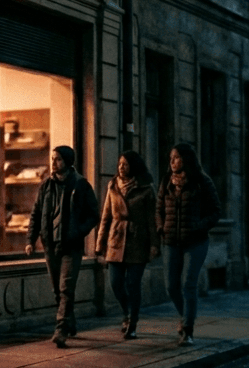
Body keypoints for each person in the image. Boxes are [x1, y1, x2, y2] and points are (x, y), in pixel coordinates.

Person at [25, 145, 99, 348]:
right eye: (52, 159)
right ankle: (70, 321)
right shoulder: (46, 185)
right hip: (50, 244)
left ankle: (61, 330)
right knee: (57, 290)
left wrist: (78, 232)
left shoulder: (80, 184)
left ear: (67, 161)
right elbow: (36, 213)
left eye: (57, 159)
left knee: (66, 288)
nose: (54, 163)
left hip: (71, 246)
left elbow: (93, 214)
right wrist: (31, 240)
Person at [156, 142, 221, 346]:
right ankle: (185, 317)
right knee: (171, 286)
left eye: (176, 157)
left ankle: (187, 330)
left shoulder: (202, 181)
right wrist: (161, 227)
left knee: (188, 284)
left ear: (186, 159)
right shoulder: (167, 181)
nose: (172, 162)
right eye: (171, 158)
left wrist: (199, 226)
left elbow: (216, 211)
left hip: (195, 242)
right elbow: (158, 209)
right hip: (170, 242)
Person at [95, 150, 159, 340]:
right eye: (120, 164)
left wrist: (154, 245)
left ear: (134, 166)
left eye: (126, 164)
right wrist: (100, 244)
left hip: (137, 241)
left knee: (133, 284)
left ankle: (133, 322)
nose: (121, 167)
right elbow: (106, 216)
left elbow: (152, 219)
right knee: (115, 283)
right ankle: (126, 312)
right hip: (116, 239)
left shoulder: (146, 188)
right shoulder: (113, 186)